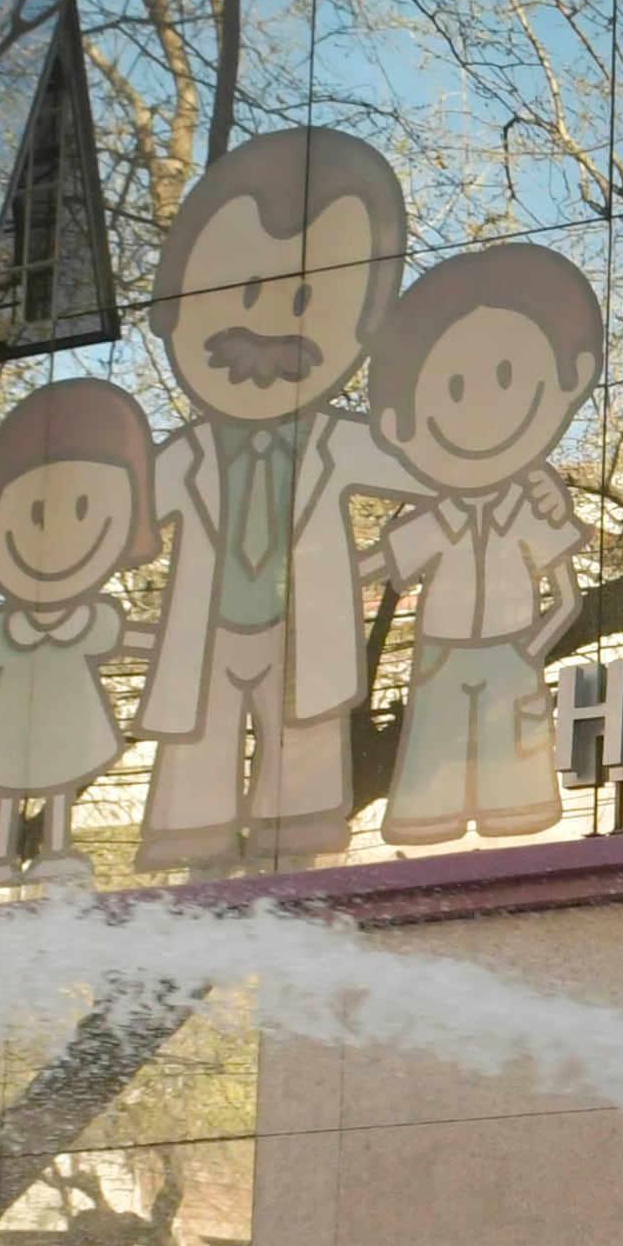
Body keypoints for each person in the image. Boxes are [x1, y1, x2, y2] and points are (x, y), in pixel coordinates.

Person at [134, 128, 420, 872]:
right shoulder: (187, 454)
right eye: (246, 290)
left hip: (299, 635)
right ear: (174, 308)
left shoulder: (334, 442)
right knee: (199, 749)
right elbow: (114, 516)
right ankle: (196, 854)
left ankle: (296, 842)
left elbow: (431, 465)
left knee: (302, 757)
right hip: (211, 629)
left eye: (302, 297)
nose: (267, 322)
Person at [365, 242, 598, 844]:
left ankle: (513, 815)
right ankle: (425, 820)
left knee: (516, 788)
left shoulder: (531, 511)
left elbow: (569, 599)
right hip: (439, 656)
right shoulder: (439, 516)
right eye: (454, 388)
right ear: (401, 424)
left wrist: (530, 649)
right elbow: (378, 563)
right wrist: (311, 575)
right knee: (428, 783)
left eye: (505, 375)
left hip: (508, 658)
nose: (484, 406)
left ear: (568, 381)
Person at [0, 375, 156, 893]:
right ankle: (0, 854)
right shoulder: (5, 623)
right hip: (11, 715)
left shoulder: (88, 620)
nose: (55, 532)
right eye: (35, 511)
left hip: (66, 715)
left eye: (86, 510)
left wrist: (183, 645)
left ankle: (55, 849)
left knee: (60, 780)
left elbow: (133, 639)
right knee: (6, 783)